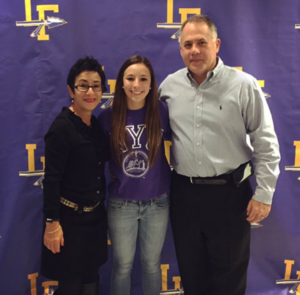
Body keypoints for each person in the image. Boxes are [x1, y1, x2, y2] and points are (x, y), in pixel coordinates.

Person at [159, 15, 280, 295]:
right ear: (180, 49)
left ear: (217, 44)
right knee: (192, 274)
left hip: (229, 194)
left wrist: (264, 193)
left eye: (202, 42)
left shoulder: (243, 85)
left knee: (229, 278)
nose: (194, 50)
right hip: (184, 195)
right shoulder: (168, 88)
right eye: (187, 44)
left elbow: (265, 140)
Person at [98, 55, 171, 295]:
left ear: (151, 84)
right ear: (121, 82)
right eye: (130, 78)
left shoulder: (162, 111)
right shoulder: (107, 117)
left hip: (157, 203)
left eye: (143, 79)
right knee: (122, 265)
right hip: (122, 205)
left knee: (151, 265)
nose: (136, 85)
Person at [41, 56, 109, 295]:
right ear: (71, 90)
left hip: (95, 220)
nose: (90, 91)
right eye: (83, 85)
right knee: (71, 287)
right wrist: (52, 224)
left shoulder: (95, 125)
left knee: (91, 284)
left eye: (96, 85)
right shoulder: (61, 128)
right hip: (68, 223)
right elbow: (51, 179)